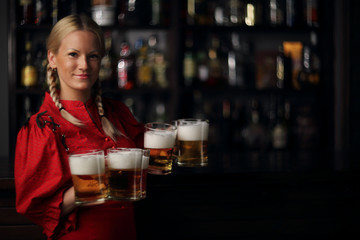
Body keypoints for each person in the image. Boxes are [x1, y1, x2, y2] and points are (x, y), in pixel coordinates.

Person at [14, 14, 144, 240]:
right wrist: (94, 180)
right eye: (73, 54)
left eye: (92, 56)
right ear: (52, 58)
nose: (84, 65)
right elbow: (37, 208)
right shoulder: (42, 127)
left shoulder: (116, 112)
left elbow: (149, 155)